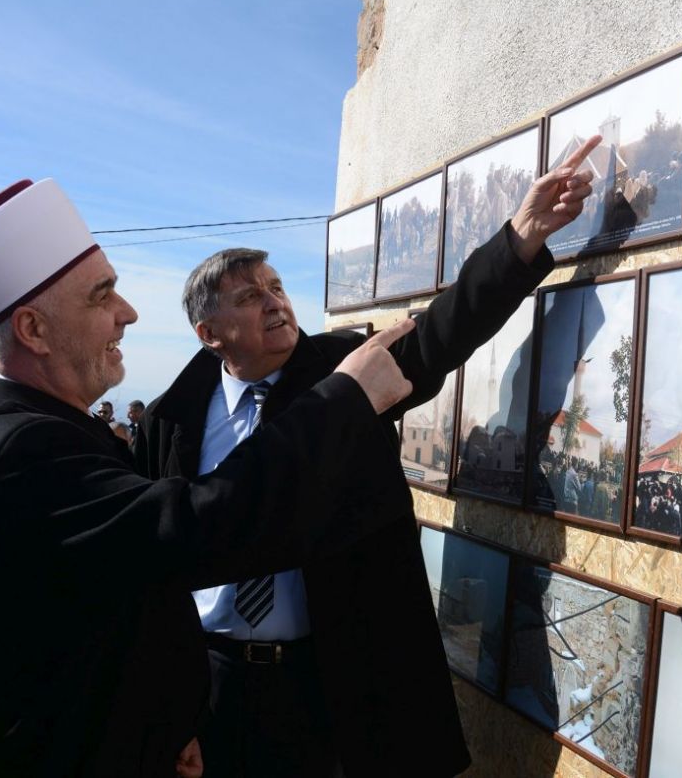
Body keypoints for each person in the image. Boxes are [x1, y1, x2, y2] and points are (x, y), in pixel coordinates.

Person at [136, 136, 602, 777]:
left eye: (276, 287)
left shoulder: (345, 371)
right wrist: (166, 709)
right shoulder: (170, 420)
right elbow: (151, 576)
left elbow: (441, 334)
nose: (275, 302)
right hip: (218, 687)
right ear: (208, 333)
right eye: (249, 297)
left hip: (334, 675)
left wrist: (520, 238)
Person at [0, 177, 416, 778]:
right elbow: (194, 531)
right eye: (101, 296)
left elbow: (119, 598)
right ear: (33, 330)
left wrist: (164, 718)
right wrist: (345, 401)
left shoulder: (47, 431)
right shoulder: (22, 450)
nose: (128, 313)